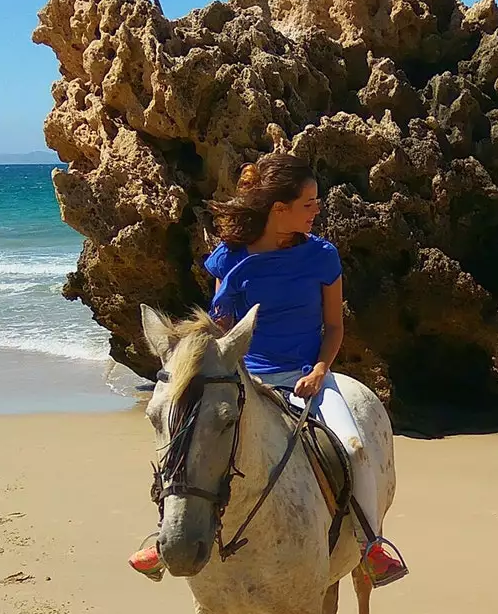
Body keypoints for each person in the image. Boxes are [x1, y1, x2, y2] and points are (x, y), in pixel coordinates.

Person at [130, 152, 409, 586]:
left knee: (354, 447)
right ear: (279, 210)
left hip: (305, 377)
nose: (318, 210)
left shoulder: (323, 256)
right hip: (246, 378)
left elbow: (334, 327)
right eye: (309, 203)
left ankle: (370, 544)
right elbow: (220, 328)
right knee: (190, 438)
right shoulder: (230, 259)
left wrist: (319, 370)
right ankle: (165, 536)